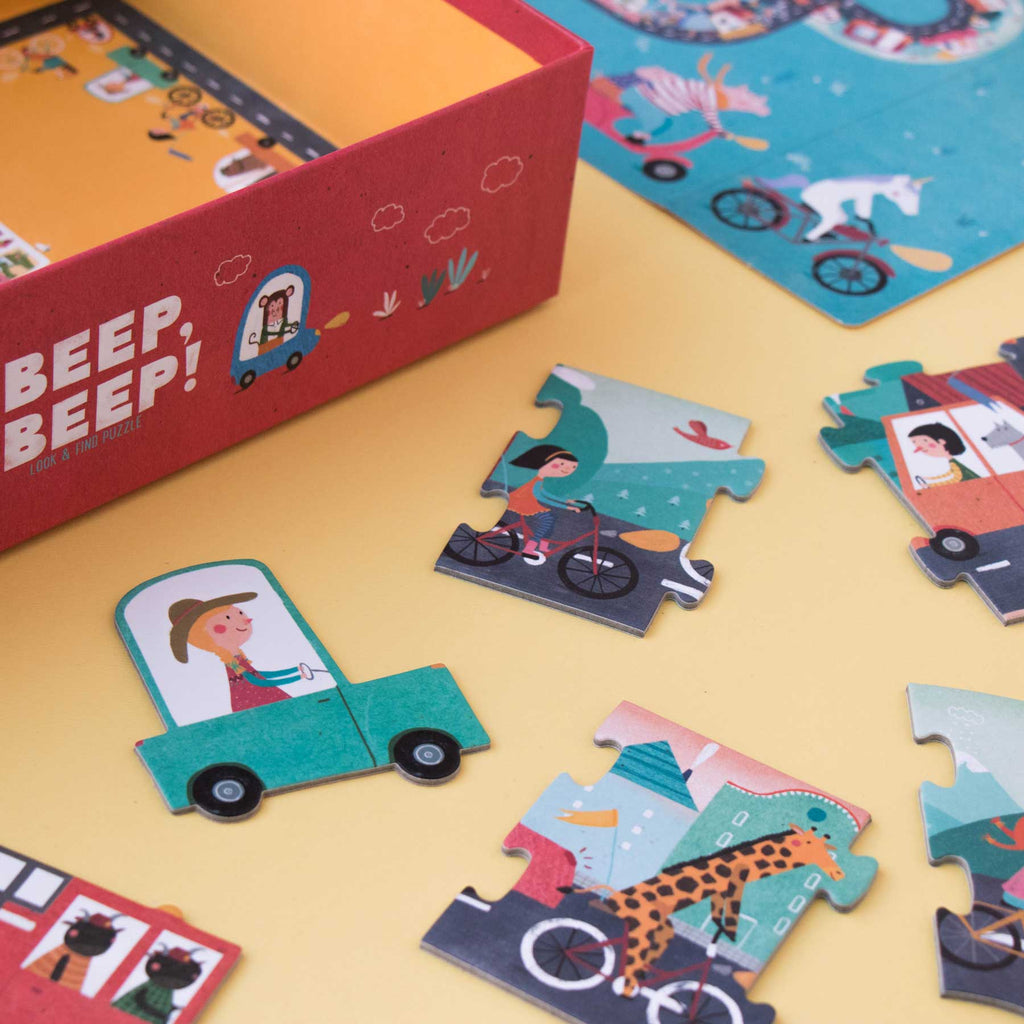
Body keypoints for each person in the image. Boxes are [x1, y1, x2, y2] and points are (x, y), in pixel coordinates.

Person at [168, 592, 305, 713]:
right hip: (257, 705)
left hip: (266, 701)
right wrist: (297, 678)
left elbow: (259, 675)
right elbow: (257, 681)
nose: (246, 620)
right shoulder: (233, 664)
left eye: (240, 613)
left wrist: (295, 670)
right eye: (228, 618)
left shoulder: (238, 659)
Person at [506, 444, 583, 561]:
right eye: (562, 464)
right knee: (547, 520)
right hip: (523, 503)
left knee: (553, 517)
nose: (567, 469)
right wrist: (567, 507)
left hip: (528, 502)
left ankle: (543, 545)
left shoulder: (539, 480)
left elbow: (545, 493)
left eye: (573, 467)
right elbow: (542, 498)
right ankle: (529, 549)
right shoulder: (536, 481)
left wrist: (566, 501)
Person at [908, 422, 979, 488]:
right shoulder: (952, 462)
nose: (920, 446)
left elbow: (956, 479)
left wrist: (931, 485)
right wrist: (928, 479)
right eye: (914, 442)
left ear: (941, 441)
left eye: (925, 440)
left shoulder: (954, 464)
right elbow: (948, 474)